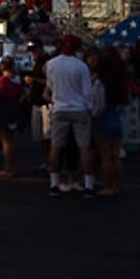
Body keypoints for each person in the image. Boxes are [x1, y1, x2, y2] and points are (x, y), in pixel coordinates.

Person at [44, 35, 96, 195]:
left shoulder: (51, 64)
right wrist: (89, 109)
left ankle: (54, 183)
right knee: (84, 147)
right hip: (79, 109)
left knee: (56, 147)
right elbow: (87, 92)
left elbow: (50, 86)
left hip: (59, 108)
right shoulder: (81, 66)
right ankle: (89, 185)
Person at [90, 46, 128, 197]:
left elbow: (98, 105)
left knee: (105, 155)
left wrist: (93, 115)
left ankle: (108, 185)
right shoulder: (119, 82)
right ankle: (116, 185)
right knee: (115, 154)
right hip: (115, 116)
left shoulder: (100, 83)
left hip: (103, 118)